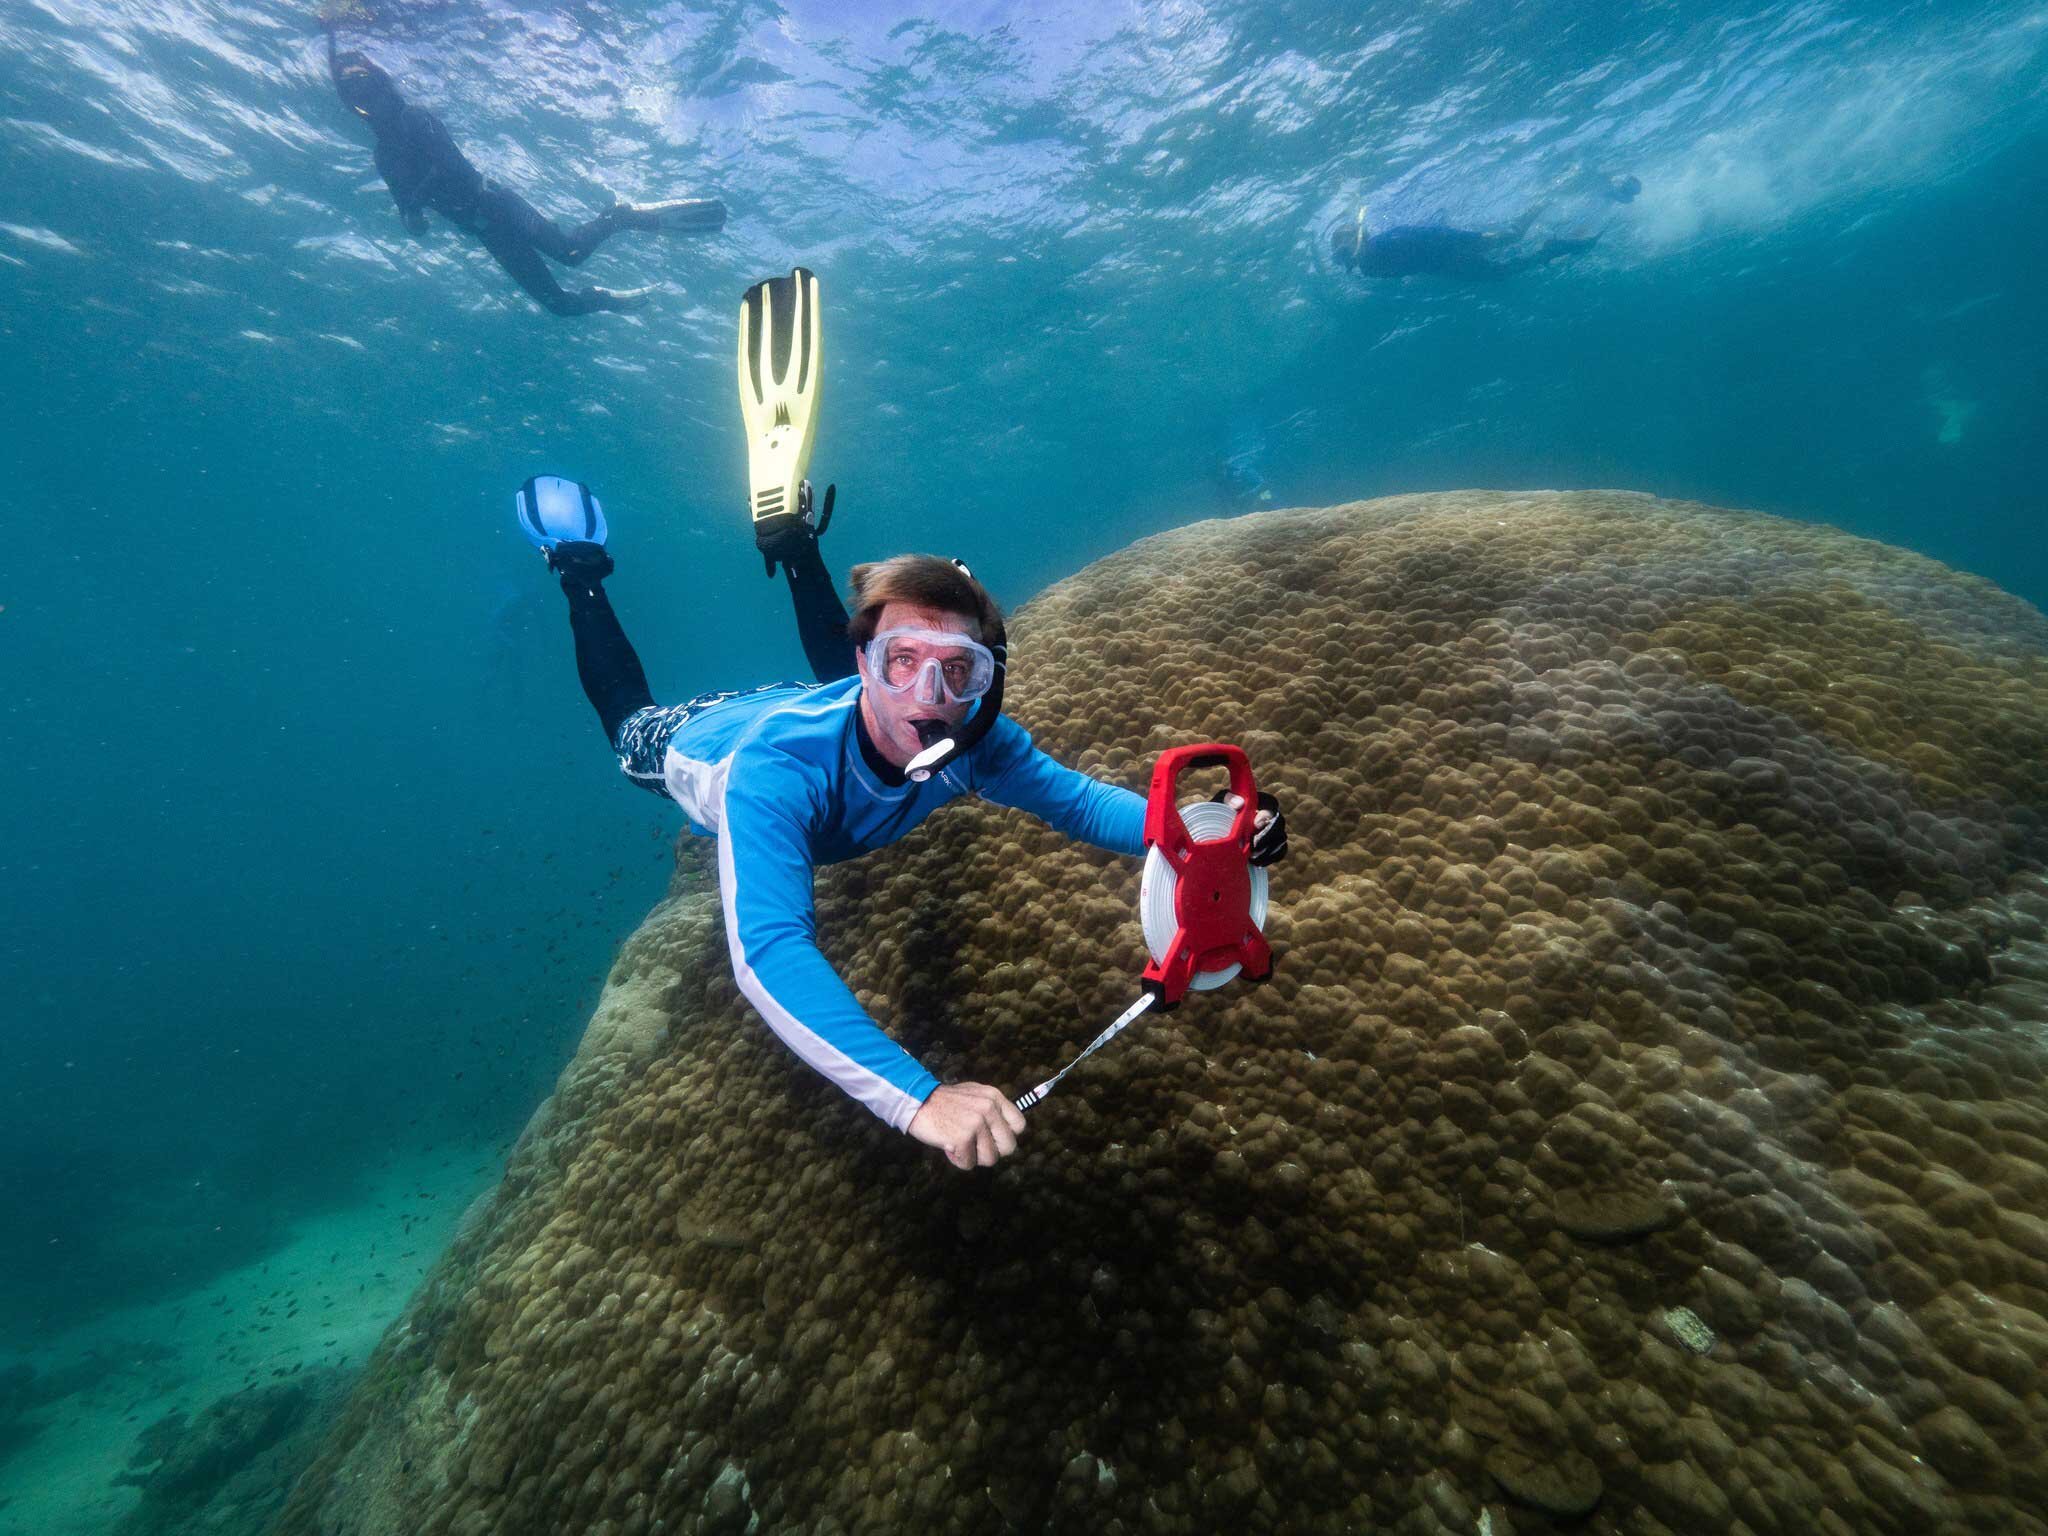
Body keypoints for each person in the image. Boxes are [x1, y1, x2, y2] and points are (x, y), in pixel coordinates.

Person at [519, 269, 1288, 1171]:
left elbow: (1082, 806)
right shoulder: (775, 781)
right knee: (629, 734)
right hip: (718, 737)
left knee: (841, 689)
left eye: (958, 671)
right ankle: (578, 566)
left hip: (823, 698)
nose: (929, 696)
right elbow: (769, 951)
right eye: (901, 663)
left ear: (990, 684)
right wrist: (916, 1096)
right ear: (870, 665)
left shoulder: (979, 741)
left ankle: (794, 543)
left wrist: (1203, 835)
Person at [326, 30, 724, 316]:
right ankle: (600, 298)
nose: (364, 98)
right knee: (560, 307)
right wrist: (411, 216)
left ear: (380, 82)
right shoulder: (383, 156)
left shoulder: (414, 117)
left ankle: (619, 216)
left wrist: (416, 199)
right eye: (353, 94)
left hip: (497, 204)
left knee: (570, 253)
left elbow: (448, 165)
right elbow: (408, 212)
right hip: (486, 232)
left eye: (365, 85)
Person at [1331, 202, 1598, 281]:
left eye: (1347, 246)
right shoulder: (1367, 269)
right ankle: (1549, 250)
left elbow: (1428, 235)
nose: (1347, 255)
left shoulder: (1390, 240)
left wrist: (1467, 241)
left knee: (1513, 238)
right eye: (1341, 253)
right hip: (1442, 265)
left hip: (1449, 247)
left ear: (1361, 239)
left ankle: (1543, 202)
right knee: (1501, 272)